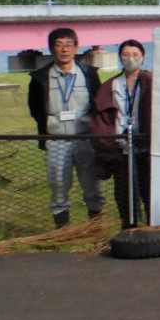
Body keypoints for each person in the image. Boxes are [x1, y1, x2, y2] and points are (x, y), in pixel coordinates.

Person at [27, 26, 103, 228]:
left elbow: (98, 104)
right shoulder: (40, 78)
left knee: (91, 184)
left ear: (76, 48)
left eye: (69, 45)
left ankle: (94, 226)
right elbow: (35, 109)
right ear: (51, 49)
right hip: (56, 139)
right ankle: (62, 230)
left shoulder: (89, 74)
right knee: (58, 183)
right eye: (58, 45)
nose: (64, 49)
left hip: (86, 139)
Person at [89, 40, 152, 227]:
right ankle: (129, 228)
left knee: (149, 191)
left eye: (135, 55)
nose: (131, 59)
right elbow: (101, 119)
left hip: (146, 148)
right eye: (126, 55)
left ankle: (153, 228)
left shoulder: (151, 81)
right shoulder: (111, 85)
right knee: (124, 193)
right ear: (119, 58)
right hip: (121, 149)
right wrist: (108, 145)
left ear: (143, 57)